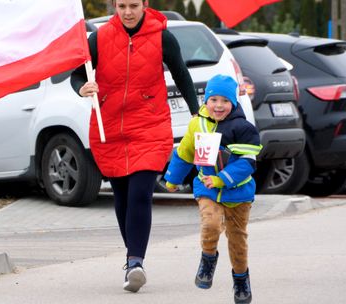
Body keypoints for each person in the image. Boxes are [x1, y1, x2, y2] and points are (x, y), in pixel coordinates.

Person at [70, 0, 199, 293]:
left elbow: (181, 73)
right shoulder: (99, 38)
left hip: (149, 125)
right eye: (122, 6)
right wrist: (82, 87)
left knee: (141, 191)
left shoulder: (162, 36)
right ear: (115, 6)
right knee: (122, 195)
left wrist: (195, 111)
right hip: (110, 127)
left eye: (134, 6)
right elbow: (77, 74)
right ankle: (133, 261)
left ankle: (135, 260)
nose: (128, 12)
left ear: (145, 5)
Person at [164, 74, 261, 304]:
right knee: (211, 224)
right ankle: (208, 260)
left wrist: (222, 180)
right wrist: (173, 178)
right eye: (213, 99)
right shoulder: (197, 123)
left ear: (233, 103)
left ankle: (240, 280)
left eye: (225, 101)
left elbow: (247, 163)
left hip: (238, 193)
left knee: (237, 239)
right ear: (205, 100)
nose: (218, 105)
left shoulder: (243, 128)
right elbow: (185, 152)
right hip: (206, 188)